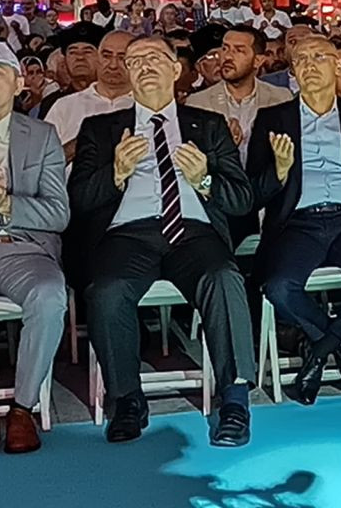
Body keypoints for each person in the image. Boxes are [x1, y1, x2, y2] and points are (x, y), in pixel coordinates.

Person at [68, 35, 255, 446]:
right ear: (126, 73)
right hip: (128, 233)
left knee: (224, 277)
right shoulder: (100, 130)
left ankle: (236, 400)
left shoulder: (208, 126)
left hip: (193, 231)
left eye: (155, 58)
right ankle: (127, 399)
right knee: (107, 290)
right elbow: (80, 201)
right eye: (135, 61)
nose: (145, 65)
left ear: (176, 70)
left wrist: (204, 178)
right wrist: (115, 173)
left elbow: (242, 200)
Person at [246, 35, 341, 405]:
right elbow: (252, 193)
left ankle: (319, 351)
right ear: (293, 72)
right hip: (298, 223)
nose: (310, 65)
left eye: (319, 58)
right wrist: (279, 171)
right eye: (302, 60)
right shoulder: (271, 119)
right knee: (279, 286)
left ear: (336, 66)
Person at [0, 42, 69, 457]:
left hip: (23, 249)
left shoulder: (42, 135)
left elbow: (59, 214)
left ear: (18, 83)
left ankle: (23, 408)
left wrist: (10, 204)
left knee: (49, 296)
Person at [186, 25, 292, 167]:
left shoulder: (281, 99)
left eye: (239, 50)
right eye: (225, 48)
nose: (227, 56)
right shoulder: (197, 103)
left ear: (258, 61)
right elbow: (197, 169)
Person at [45, 30, 135, 167]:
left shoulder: (146, 106)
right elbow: (42, 164)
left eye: (122, 58)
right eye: (106, 56)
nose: (113, 65)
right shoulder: (65, 106)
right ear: (98, 59)